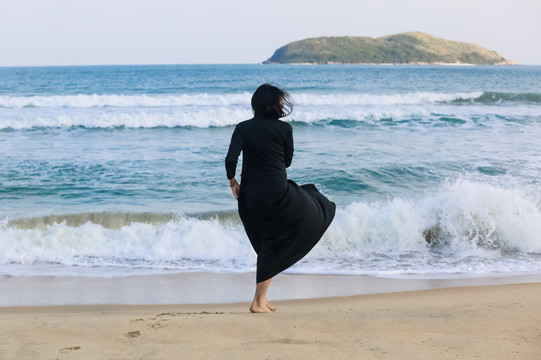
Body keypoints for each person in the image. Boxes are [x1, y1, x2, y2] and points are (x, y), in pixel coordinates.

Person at [225, 83, 336, 313]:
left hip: (251, 195)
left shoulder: (243, 128)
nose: (283, 104)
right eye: (280, 100)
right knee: (319, 203)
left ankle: (261, 299)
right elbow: (287, 161)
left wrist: (234, 183)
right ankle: (258, 302)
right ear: (273, 104)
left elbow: (230, 160)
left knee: (269, 242)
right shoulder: (285, 130)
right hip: (277, 192)